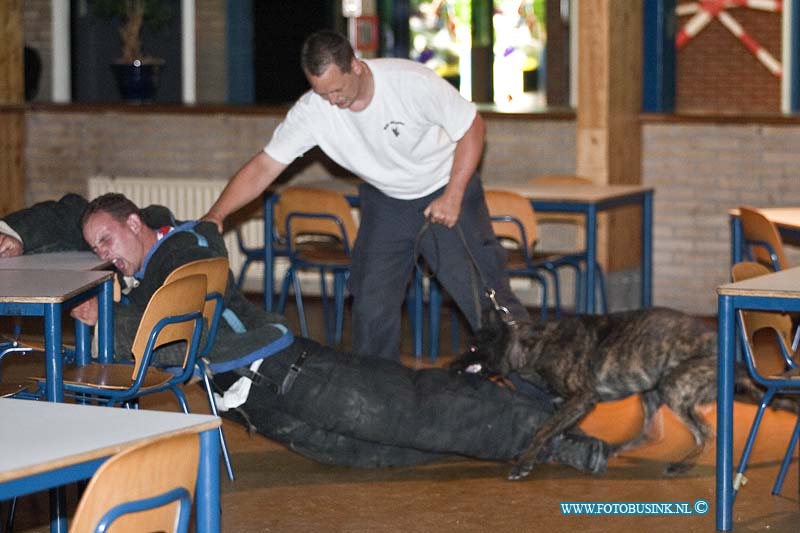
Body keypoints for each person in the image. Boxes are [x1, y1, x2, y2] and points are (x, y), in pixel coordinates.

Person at [0, 193, 608, 475]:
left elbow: (159, 327)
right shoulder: (143, 256)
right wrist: (16, 234)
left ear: (136, 223)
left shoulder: (186, 249)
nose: (105, 256)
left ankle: (563, 436)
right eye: (94, 247)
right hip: (262, 406)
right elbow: (69, 207)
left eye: (107, 241)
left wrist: (100, 317)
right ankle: (524, 436)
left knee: (416, 412)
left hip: (287, 372)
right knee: (379, 449)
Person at [203, 29, 529, 361]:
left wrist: (454, 195)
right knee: (372, 307)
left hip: (445, 188)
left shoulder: (410, 83)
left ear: (356, 66)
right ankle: (376, 399)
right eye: (321, 92)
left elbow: (473, 127)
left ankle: (536, 392)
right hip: (387, 201)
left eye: (337, 89)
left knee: (485, 302)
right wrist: (217, 214)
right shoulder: (314, 110)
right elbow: (264, 166)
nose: (332, 101)